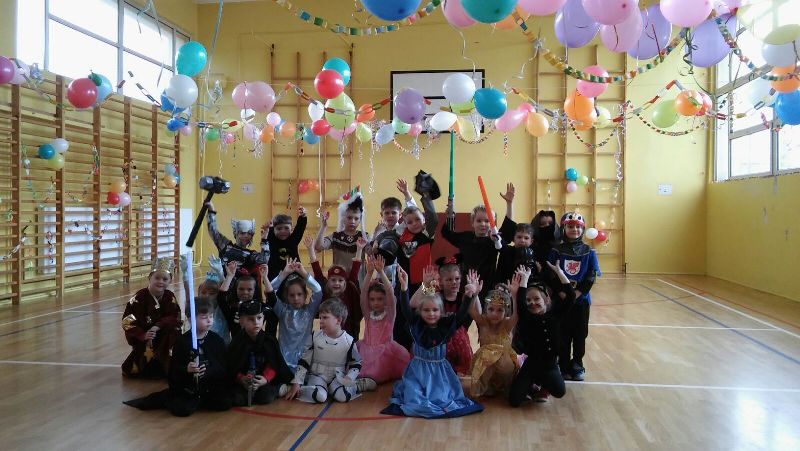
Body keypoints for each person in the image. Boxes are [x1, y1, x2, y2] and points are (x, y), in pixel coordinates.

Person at [381, 280, 483, 419]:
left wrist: (469, 295)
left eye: (435, 310)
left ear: (441, 311)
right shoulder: (417, 325)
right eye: (426, 310)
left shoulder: (445, 327)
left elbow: (460, 315)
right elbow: (405, 309)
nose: (431, 314)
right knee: (414, 397)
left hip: (439, 373)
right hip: (417, 372)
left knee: (441, 398)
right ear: (420, 311)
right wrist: (404, 288)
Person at [123, 297, 230, 416]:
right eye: (204, 317)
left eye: (211, 316)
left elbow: (223, 368)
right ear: (191, 319)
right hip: (188, 388)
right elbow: (174, 371)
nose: (209, 321)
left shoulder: (217, 340)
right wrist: (187, 369)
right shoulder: (182, 342)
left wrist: (208, 370)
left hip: (210, 386)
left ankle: (200, 400)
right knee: (182, 409)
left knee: (224, 402)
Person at [282, 299, 376, 403]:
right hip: (317, 377)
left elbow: (356, 363)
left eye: (325, 317)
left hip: (337, 378)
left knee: (343, 397)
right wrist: (297, 383)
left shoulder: (349, 341)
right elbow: (304, 362)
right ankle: (291, 389)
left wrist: (349, 378)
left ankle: (357, 385)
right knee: (320, 397)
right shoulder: (314, 337)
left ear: (338, 320)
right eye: (320, 317)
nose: (321, 321)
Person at [508, 261, 576, 405]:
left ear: (546, 300)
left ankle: (544, 386)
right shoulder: (526, 318)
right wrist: (524, 279)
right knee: (514, 401)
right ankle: (531, 385)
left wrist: (560, 273)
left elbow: (571, 296)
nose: (532, 303)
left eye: (537, 299)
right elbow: (521, 302)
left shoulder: (555, 315)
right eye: (529, 300)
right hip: (531, 364)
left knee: (559, 390)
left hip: (550, 365)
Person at [548, 212, 600, 382]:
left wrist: (577, 294)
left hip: (581, 301)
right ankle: (563, 365)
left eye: (578, 227)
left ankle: (577, 365)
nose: (574, 229)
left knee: (580, 334)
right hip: (561, 299)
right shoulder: (556, 250)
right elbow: (551, 274)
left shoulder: (589, 251)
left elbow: (591, 275)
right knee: (562, 333)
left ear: (583, 229)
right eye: (570, 226)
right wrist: (562, 292)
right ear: (564, 228)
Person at [468, 268, 525, 398]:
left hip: (504, 365)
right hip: (487, 364)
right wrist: (475, 294)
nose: (494, 314)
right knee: (485, 355)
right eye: (491, 309)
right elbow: (471, 311)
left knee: (505, 365)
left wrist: (514, 296)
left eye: (500, 310)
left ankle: (506, 385)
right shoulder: (483, 322)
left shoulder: (507, 324)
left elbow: (517, 315)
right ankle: (489, 385)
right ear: (486, 309)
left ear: (506, 312)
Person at [121, 258, 181, 378]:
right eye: (157, 278)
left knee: (173, 330)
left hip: (163, 333)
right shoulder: (139, 298)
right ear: (150, 278)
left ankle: (166, 366)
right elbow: (128, 322)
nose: (160, 282)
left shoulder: (170, 296)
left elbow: (175, 317)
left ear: (170, 281)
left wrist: (157, 326)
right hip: (145, 335)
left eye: (165, 279)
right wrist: (143, 335)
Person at [227, 300, 294, 406]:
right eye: (251, 319)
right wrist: (241, 378)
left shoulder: (269, 341)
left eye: (259, 318)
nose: (256, 322)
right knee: (238, 399)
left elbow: (274, 363)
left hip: (263, 380)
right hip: (244, 381)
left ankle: (279, 389)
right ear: (241, 321)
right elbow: (231, 365)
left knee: (265, 397)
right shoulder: (237, 342)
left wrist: (265, 379)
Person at [357, 255, 411, 384]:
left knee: (375, 375)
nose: (376, 303)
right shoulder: (368, 314)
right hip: (366, 351)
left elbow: (390, 292)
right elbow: (364, 293)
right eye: (372, 299)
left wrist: (381, 272)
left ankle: (368, 382)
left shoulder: (389, 314)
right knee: (358, 371)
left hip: (385, 353)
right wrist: (369, 273)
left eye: (380, 299)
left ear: (386, 300)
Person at [413, 259, 472, 376]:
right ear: (441, 281)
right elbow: (414, 303)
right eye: (449, 279)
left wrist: (474, 294)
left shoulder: (464, 297)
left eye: (457, 279)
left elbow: (478, 313)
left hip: (458, 336)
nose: (454, 282)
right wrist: (425, 284)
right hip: (439, 335)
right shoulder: (436, 295)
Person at [205, 200, 269, 301]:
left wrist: (264, 239)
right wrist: (211, 211)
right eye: (242, 233)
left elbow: (264, 260)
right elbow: (213, 231)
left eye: (249, 233)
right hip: (222, 288)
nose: (246, 236)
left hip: (241, 293)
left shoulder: (251, 254)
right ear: (236, 233)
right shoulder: (225, 246)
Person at [269, 258, 324, 371]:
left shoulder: (310, 311)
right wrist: (284, 274)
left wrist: (303, 273)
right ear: (286, 296)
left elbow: (318, 290)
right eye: (292, 295)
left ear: (305, 295)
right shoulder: (282, 310)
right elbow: (270, 290)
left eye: (299, 294)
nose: (296, 298)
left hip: (304, 361)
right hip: (284, 361)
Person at [442, 201, 503, 300]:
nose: (483, 224)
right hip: (465, 284)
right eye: (479, 221)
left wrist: (497, 240)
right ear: (472, 223)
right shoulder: (466, 238)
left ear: (492, 223)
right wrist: (450, 217)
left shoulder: (494, 240)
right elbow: (447, 234)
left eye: (487, 221)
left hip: (486, 285)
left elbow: (504, 248)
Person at [309, 235, 365, 340]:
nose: (337, 283)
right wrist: (311, 249)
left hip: (348, 334)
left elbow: (355, 269)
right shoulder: (325, 290)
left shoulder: (349, 288)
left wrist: (359, 250)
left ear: (345, 282)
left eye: (340, 280)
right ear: (328, 281)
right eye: (333, 280)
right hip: (327, 335)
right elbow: (317, 271)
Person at [218, 262, 278, 338]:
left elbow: (272, 300)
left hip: (257, 344)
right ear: (236, 290)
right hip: (238, 345)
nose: (245, 292)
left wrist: (265, 277)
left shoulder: (259, 308)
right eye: (241, 289)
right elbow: (221, 298)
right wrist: (229, 276)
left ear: (255, 291)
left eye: (249, 289)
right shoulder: (232, 309)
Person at [314, 188, 366, 273]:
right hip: (339, 278)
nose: (353, 221)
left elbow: (372, 252)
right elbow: (318, 246)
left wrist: (377, 233)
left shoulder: (363, 237)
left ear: (360, 220)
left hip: (358, 279)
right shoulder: (336, 236)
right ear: (343, 218)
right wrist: (323, 227)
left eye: (356, 218)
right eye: (349, 218)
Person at [266, 206, 307, 277]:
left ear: (291, 229)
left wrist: (303, 216)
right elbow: (269, 233)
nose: (283, 231)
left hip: (294, 274)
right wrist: (270, 227)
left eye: (286, 228)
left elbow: (300, 229)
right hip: (274, 275)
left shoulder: (293, 240)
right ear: (274, 230)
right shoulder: (272, 240)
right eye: (279, 229)